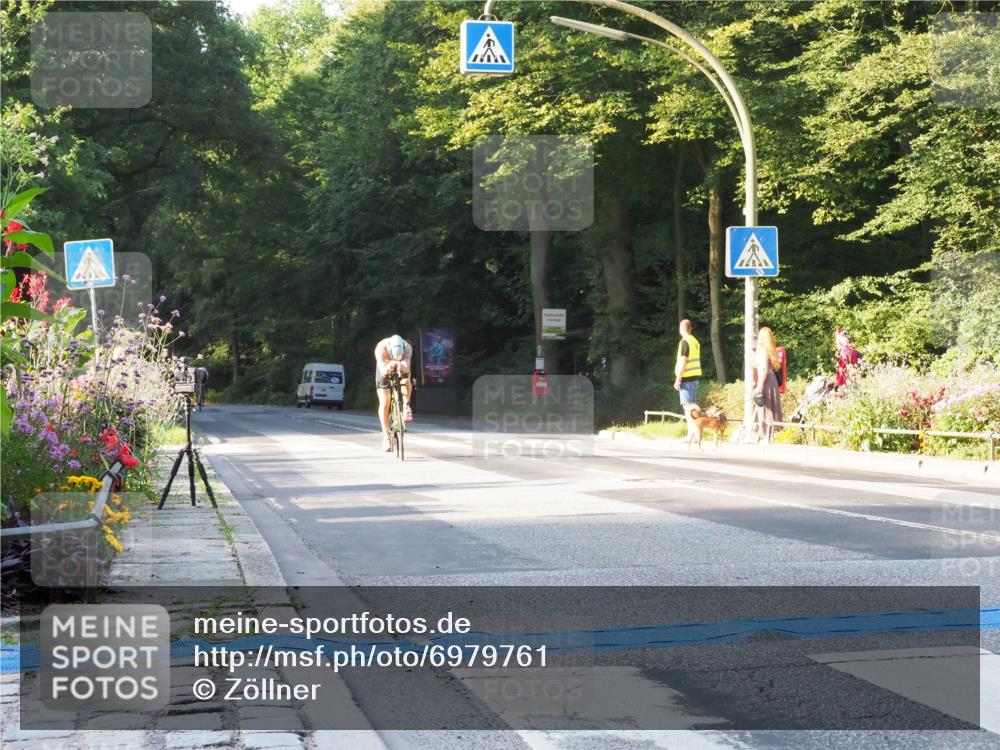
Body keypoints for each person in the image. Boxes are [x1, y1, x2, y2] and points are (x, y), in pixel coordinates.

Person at [374, 334, 414, 452]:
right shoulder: (381, 348)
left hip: (401, 366)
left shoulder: (407, 347)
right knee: (385, 402)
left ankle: (406, 405)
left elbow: (407, 367)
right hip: (384, 367)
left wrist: (401, 365)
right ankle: (386, 437)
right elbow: (383, 370)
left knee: (406, 379)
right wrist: (389, 365)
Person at [753, 326, 784, 441]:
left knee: (765, 408)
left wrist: (760, 384)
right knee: (771, 406)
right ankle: (770, 436)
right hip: (772, 380)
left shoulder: (762, 351)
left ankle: (767, 437)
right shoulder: (771, 351)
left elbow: (764, 369)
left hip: (765, 380)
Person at [673, 319, 701, 415]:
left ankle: (694, 429)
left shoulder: (685, 342)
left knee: (688, 408)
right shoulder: (695, 341)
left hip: (687, 378)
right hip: (694, 377)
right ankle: (694, 430)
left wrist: (678, 379)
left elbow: (683, 362)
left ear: (680, 329)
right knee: (693, 406)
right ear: (691, 329)